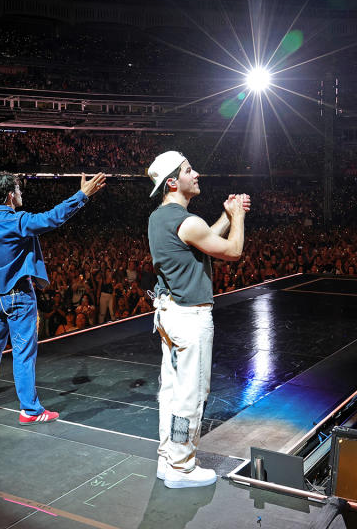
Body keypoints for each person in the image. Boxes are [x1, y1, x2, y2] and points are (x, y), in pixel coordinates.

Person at [0, 171, 106, 424]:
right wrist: (82, 196)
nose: (22, 194)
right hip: (19, 297)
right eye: (19, 190)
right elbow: (53, 218)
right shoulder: (18, 221)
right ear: (10, 195)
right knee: (23, 352)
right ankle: (30, 410)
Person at [146, 150, 249, 489]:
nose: (197, 174)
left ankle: (167, 457)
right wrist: (237, 218)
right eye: (189, 170)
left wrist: (222, 214)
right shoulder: (187, 222)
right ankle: (182, 466)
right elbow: (231, 251)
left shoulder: (160, 218)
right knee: (191, 394)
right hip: (190, 318)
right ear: (173, 182)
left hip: (168, 314)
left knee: (173, 391)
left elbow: (201, 242)